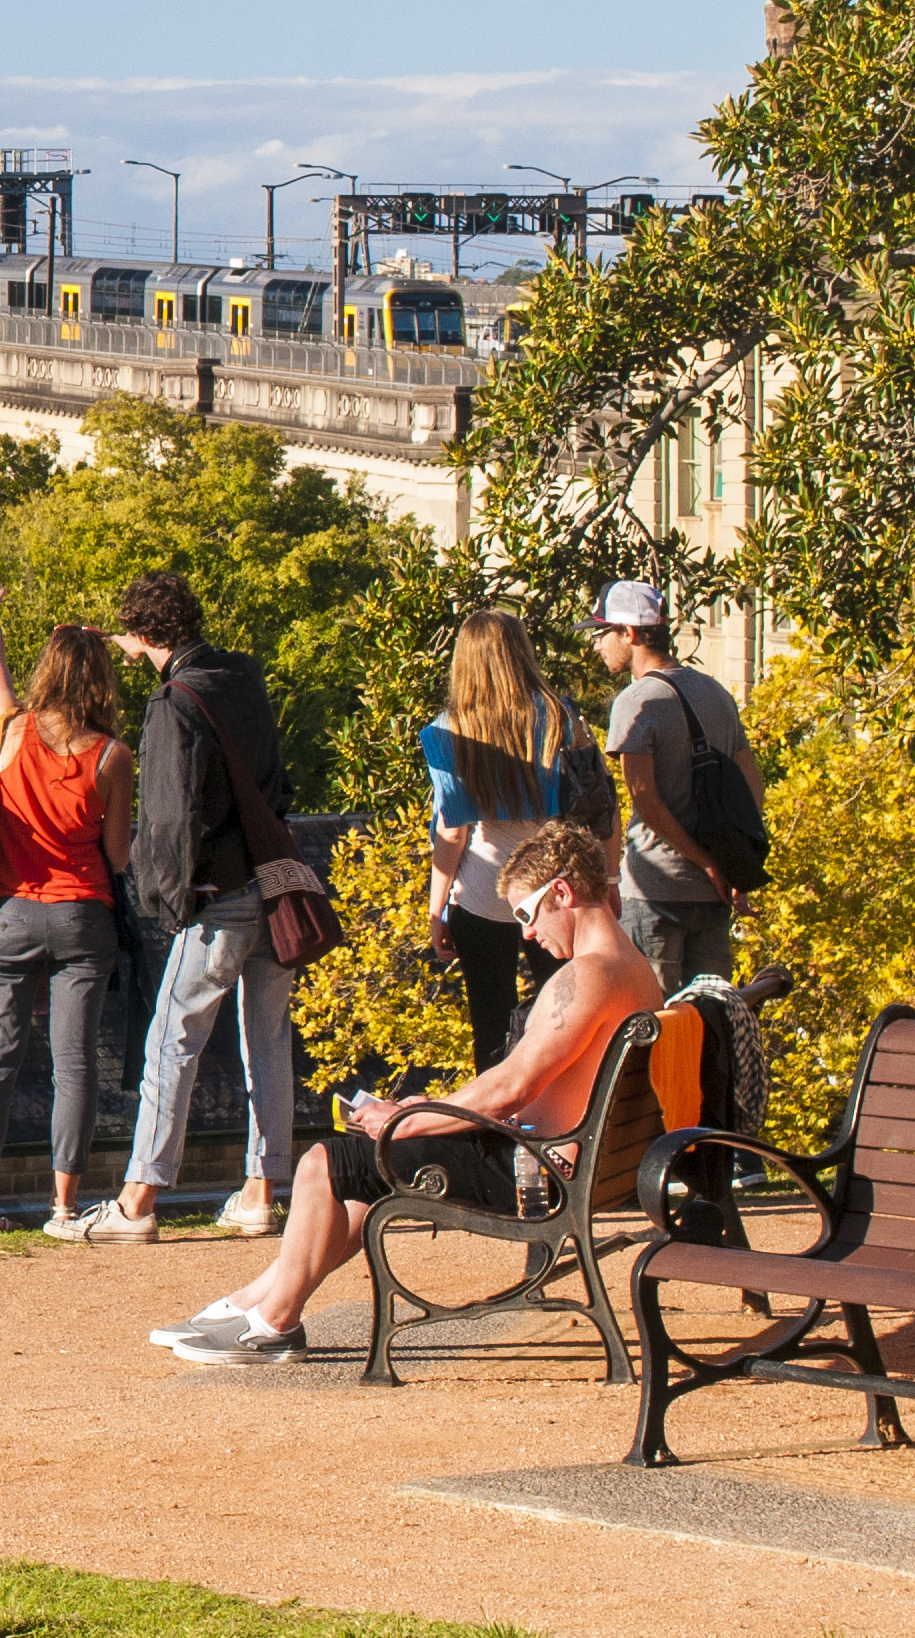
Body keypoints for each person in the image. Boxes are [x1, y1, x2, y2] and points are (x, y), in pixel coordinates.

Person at [163, 818, 663, 1363]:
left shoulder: (585, 976)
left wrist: (408, 1121)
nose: (525, 933)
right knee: (358, 1177)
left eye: (526, 913)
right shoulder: (635, 969)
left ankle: (274, 1323)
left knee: (323, 1162)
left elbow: (510, 1089)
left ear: (562, 893)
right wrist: (421, 1110)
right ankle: (255, 1301)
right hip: (574, 1161)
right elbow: (516, 1086)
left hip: (536, 1173)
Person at [81, 568, 291, 1243]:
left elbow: (169, 817)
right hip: (271, 880)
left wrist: (166, 899)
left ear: (145, 635)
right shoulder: (244, 680)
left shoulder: (173, 703)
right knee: (268, 1041)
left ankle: (137, 1198)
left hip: (216, 891)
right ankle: (260, 1190)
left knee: (172, 1038)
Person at [0, 573, 136, 1241]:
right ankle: (63, 1206)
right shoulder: (113, 755)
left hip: (6, 915)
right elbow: (117, 856)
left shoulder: (11, 731)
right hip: (81, 914)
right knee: (74, 1061)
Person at [421, 609, 580, 1073]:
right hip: (553, 890)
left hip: (483, 894)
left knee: (490, 1026)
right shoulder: (559, 717)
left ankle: (493, 1134)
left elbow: (454, 832)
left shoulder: (447, 729)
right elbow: (593, 807)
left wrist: (437, 909)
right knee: (565, 1019)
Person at [587, 581, 757, 993]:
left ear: (629, 633)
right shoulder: (716, 693)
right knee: (711, 1020)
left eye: (601, 633)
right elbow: (750, 780)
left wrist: (705, 862)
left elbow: (644, 800)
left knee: (655, 1020)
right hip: (712, 894)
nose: (596, 646)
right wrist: (731, 865)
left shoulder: (636, 701)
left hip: (655, 891)